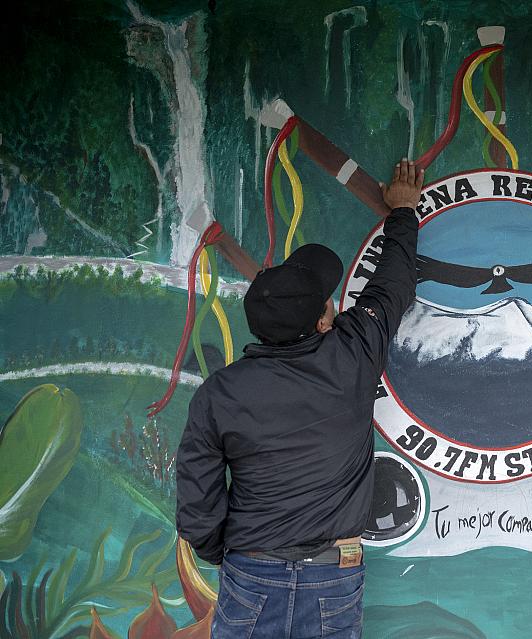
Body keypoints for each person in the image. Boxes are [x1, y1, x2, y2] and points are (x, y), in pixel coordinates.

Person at [175, 159, 425, 638]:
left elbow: (197, 500)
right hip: (333, 575)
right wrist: (402, 212)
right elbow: (392, 285)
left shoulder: (219, 393)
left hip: (251, 573)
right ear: (322, 321)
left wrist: (229, 551)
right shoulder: (352, 355)